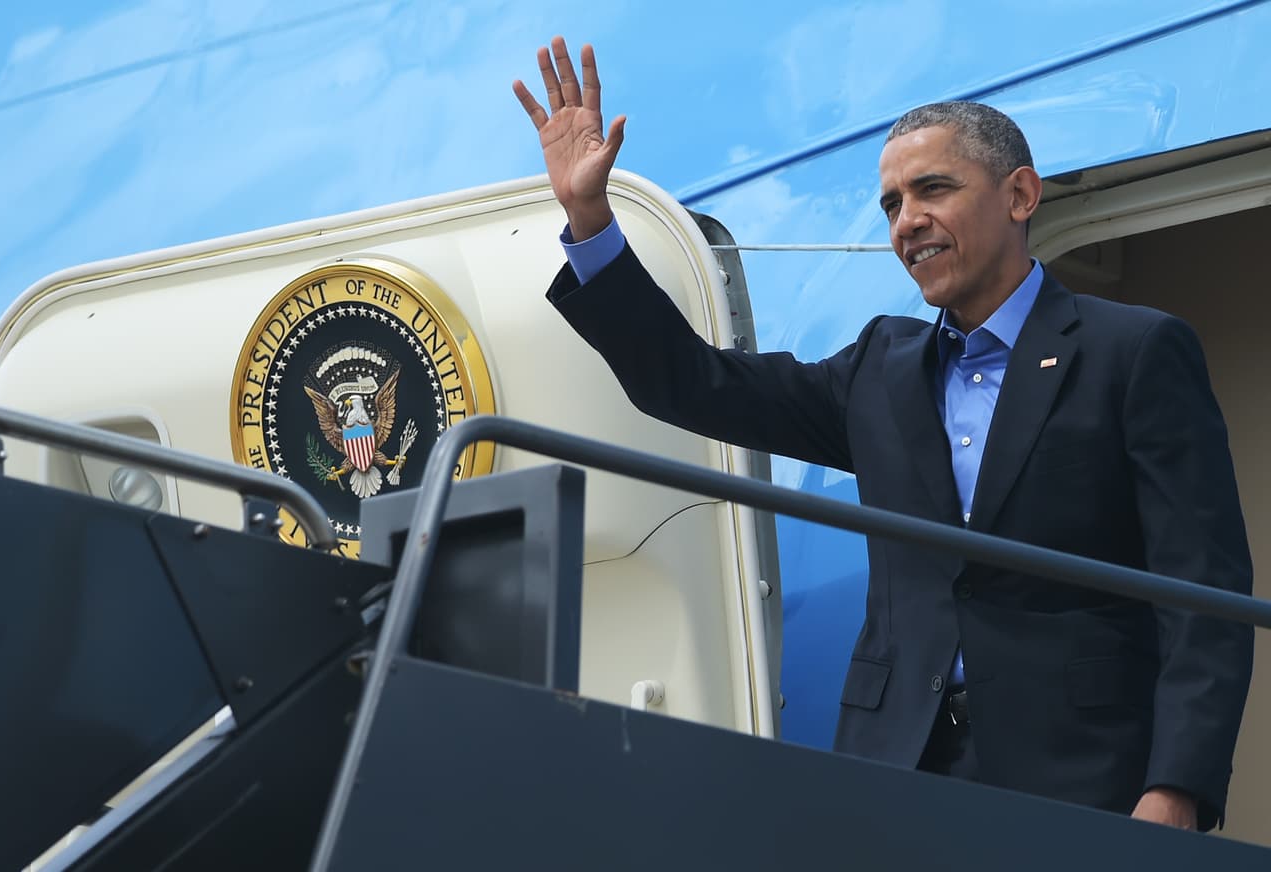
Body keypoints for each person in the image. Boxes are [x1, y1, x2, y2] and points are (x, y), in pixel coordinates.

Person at [513, 36, 1254, 831]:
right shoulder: (879, 368)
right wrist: (589, 220)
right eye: (893, 204)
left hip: (1084, 781)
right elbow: (691, 383)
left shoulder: (1133, 351)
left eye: (933, 189)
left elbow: (1204, 592)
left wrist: (1175, 789)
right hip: (895, 777)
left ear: (1021, 194)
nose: (909, 221)